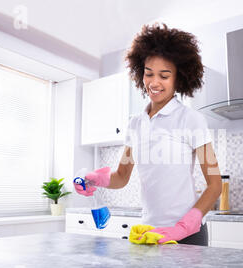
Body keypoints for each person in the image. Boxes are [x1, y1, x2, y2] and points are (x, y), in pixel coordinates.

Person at [75, 23, 222, 246]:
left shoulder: (191, 120)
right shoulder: (135, 124)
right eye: (148, 74)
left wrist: (187, 224)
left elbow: (214, 184)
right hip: (150, 231)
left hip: (188, 235)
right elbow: (122, 176)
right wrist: (97, 178)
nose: (154, 83)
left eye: (164, 76)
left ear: (178, 79)